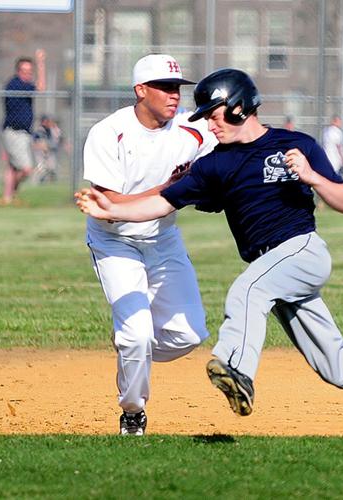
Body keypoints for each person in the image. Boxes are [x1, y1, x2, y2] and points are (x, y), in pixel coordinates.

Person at [76, 68, 343, 419]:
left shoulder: (295, 144)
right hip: (274, 269)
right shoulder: (214, 165)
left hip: (301, 251)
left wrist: (312, 176)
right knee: (341, 368)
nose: (208, 122)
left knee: (248, 289)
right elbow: (160, 202)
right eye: (204, 116)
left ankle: (237, 370)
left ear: (239, 105)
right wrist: (109, 209)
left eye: (214, 113)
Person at [80, 54, 217, 436]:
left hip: (163, 238)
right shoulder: (109, 133)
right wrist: (179, 187)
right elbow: (111, 207)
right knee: (138, 332)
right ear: (141, 91)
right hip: (115, 243)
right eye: (165, 87)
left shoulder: (193, 128)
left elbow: (232, 145)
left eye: (177, 88)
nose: (175, 95)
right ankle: (133, 411)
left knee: (190, 335)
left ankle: (128, 346)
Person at [1, 53, 45, 202]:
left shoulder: (24, 85)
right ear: (18, 71)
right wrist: (40, 62)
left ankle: (8, 197)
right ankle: (11, 191)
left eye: (29, 72)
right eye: (24, 71)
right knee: (26, 169)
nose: (27, 75)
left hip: (24, 133)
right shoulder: (15, 84)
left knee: (13, 167)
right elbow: (40, 87)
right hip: (14, 132)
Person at [32, 114, 62, 183]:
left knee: (52, 167)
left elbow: (57, 139)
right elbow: (34, 143)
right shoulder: (40, 131)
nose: (49, 123)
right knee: (41, 168)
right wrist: (41, 146)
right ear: (43, 122)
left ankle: (50, 181)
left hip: (48, 152)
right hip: (40, 153)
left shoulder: (50, 130)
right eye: (47, 121)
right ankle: (36, 181)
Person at [321, 115, 343, 179]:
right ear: (334, 122)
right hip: (334, 155)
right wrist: (342, 158)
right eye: (339, 121)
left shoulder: (326, 130)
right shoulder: (337, 132)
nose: (340, 123)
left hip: (326, 153)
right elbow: (338, 146)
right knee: (334, 171)